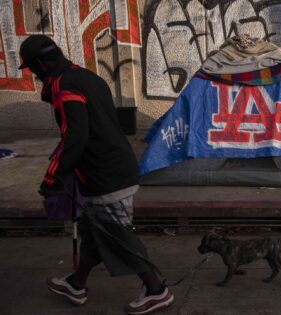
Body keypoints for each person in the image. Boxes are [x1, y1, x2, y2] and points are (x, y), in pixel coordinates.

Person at [19, 35, 174, 314]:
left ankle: (156, 290)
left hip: (106, 175)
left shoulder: (63, 87)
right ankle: (77, 283)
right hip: (110, 168)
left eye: (32, 68)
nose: (33, 74)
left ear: (42, 63)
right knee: (94, 230)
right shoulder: (86, 77)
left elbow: (75, 138)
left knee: (116, 234)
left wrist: (53, 178)